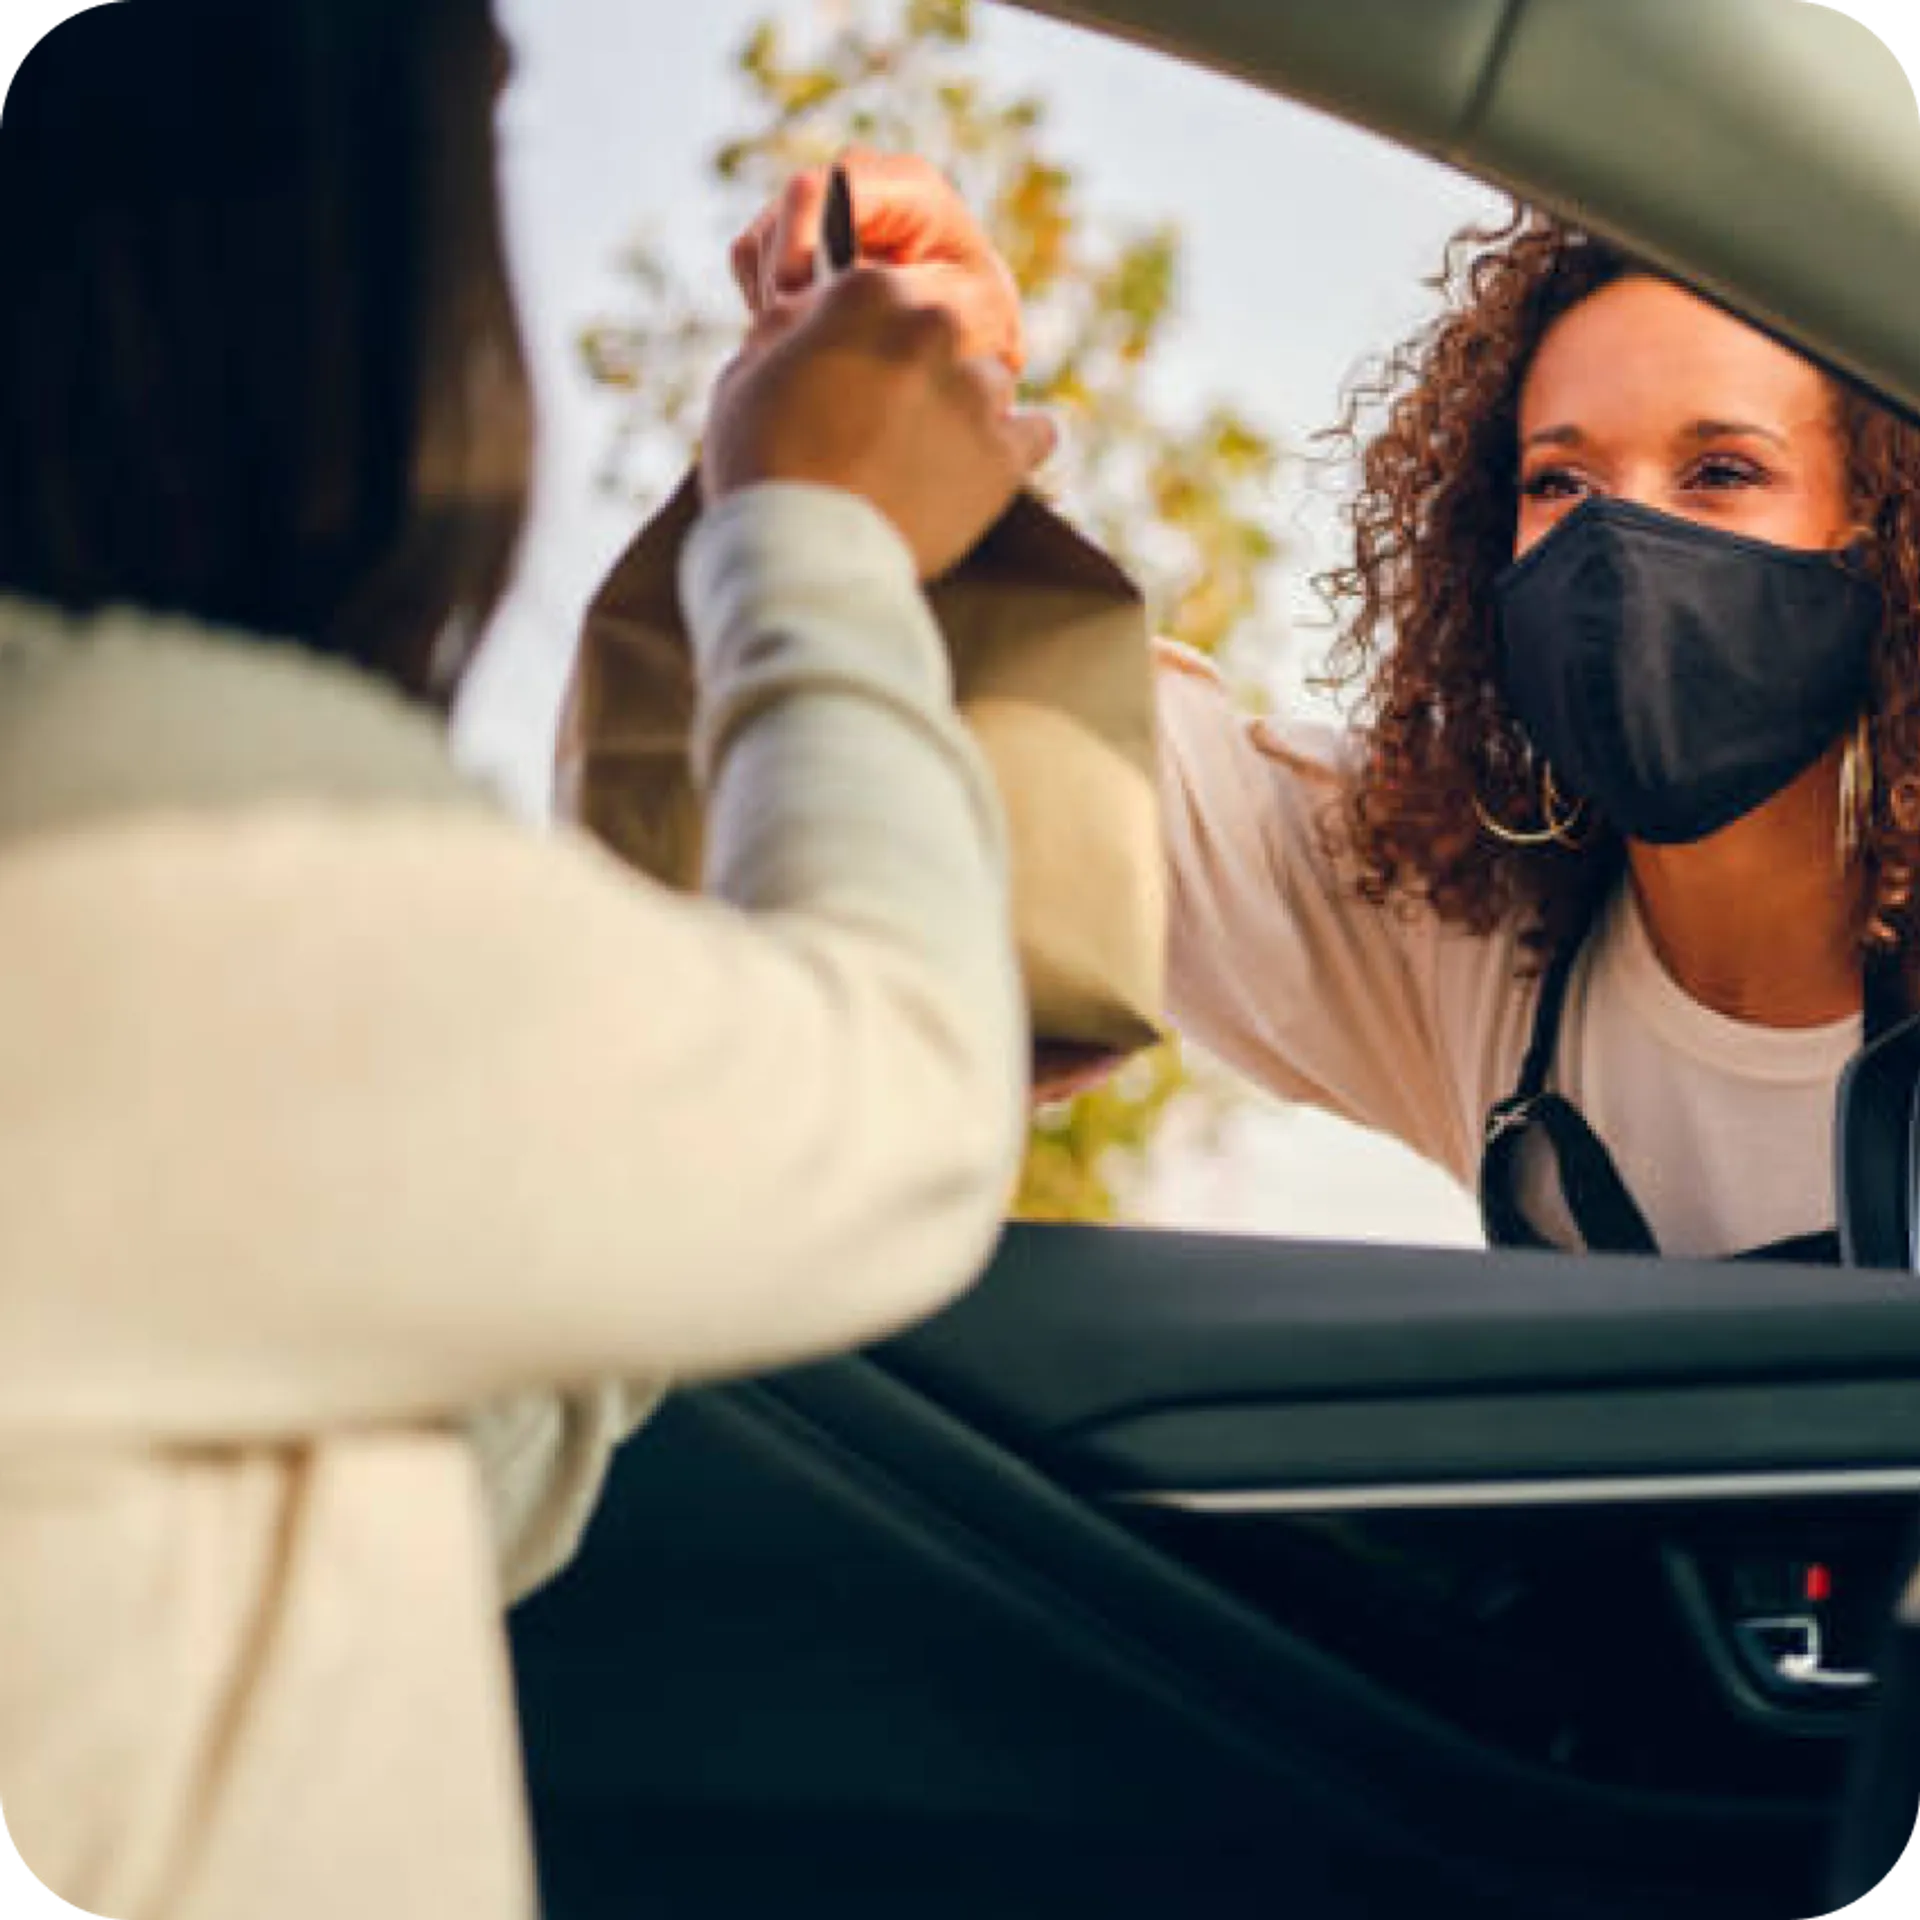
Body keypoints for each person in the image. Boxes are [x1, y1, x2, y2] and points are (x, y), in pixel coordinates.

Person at [0, 9, 1053, 1917]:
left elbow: (532, 1288)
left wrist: (773, 539)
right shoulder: (120, 830)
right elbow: (894, 1100)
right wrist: (815, 537)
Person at [726, 149, 1920, 1265]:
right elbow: (1083, 753)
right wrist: (934, 396)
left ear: (1887, 535)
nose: (1617, 543)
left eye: (1721, 472)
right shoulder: (1472, 939)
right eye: (1559, 482)